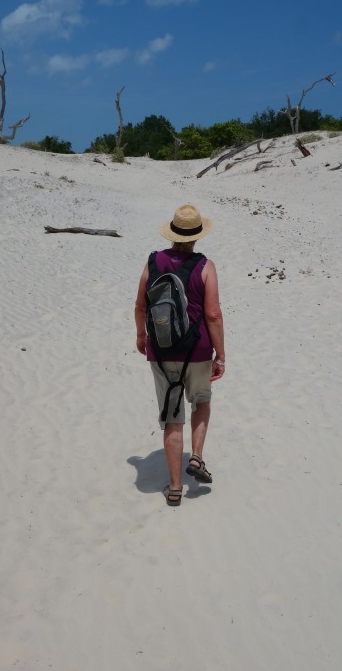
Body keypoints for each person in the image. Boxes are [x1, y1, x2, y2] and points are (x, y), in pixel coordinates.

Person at [135, 204, 225, 506]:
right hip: (197, 350)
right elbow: (212, 315)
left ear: (172, 232)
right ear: (197, 235)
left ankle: (174, 489)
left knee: (172, 419)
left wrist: (141, 336)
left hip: (160, 350)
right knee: (201, 401)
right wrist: (220, 354)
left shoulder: (153, 262)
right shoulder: (205, 266)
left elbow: (140, 306)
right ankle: (196, 458)